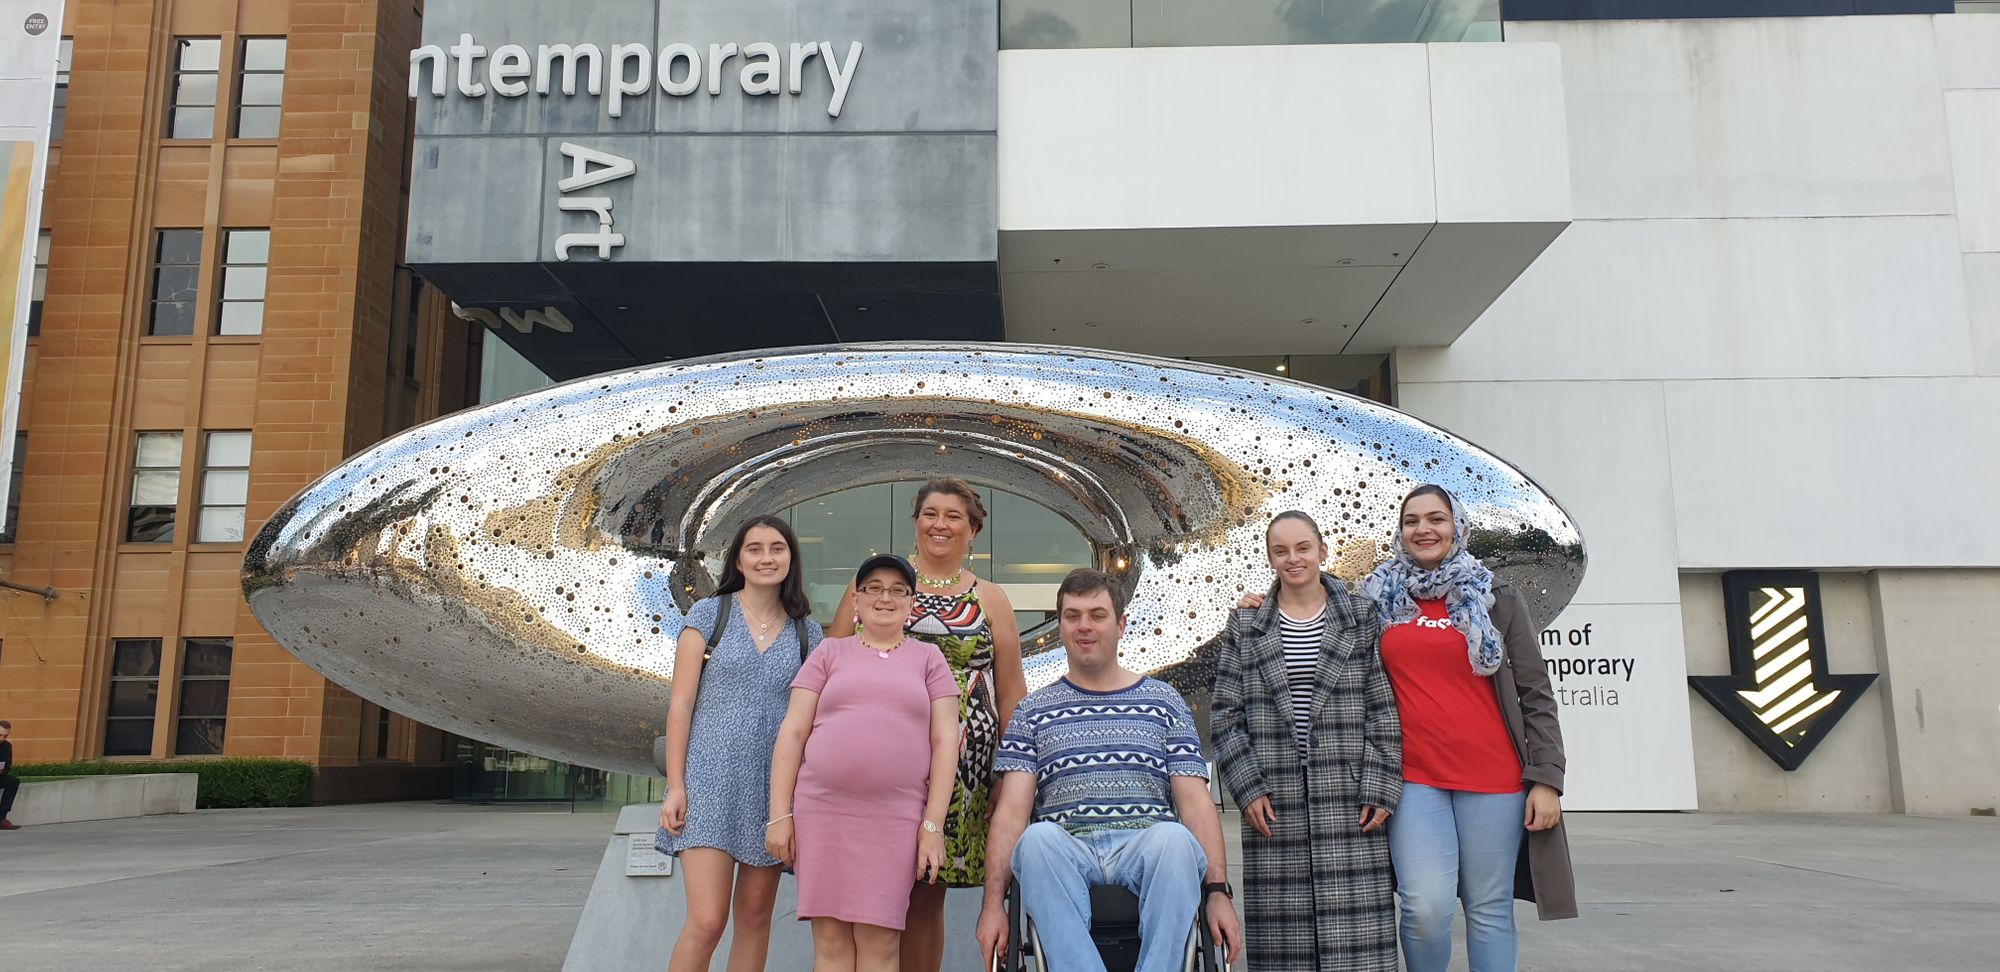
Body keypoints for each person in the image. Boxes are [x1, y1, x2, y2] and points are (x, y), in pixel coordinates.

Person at [976, 568, 1243, 972]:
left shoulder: (1164, 702)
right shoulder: (1032, 712)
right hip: (1067, 849)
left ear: (1121, 625)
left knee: (1174, 838)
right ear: (1060, 626)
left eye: (1097, 615)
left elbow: (1195, 804)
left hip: (1147, 845)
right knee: (1036, 839)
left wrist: (1218, 892)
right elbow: (1011, 812)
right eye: (1073, 615)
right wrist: (993, 904)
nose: (1084, 626)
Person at [1363, 484, 1576, 970]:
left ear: (1458, 526)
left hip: (1495, 781)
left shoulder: (1496, 596)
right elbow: (1311, 603)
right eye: (1412, 520)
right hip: (1414, 779)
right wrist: (1261, 605)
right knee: (1425, 907)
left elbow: (1536, 694)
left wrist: (1547, 779)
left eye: (1436, 518)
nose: (1423, 529)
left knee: (1488, 910)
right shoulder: (1378, 598)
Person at [830, 478, 1026, 971]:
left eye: (954, 516)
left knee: (925, 891)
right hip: (877, 756)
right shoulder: (874, 585)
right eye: (931, 513)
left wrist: (1008, 776)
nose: (940, 524)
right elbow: (831, 664)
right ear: (915, 522)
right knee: (869, 888)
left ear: (974, 530)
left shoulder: (992, 599)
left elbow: (1012, 693)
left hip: (961, 768)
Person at [1213, 511, 1402, 971]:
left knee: (1357, 948)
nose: (1293, 559)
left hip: (1349, 800)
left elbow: (1383, 708)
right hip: (1275, 803)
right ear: (1270, 558)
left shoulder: (1361, 616)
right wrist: (1247, 788)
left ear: (1321, 550)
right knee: (1285, 949)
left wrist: (1381, 785)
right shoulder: (1246, 625)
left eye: (1302, 547)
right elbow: (1225, 716)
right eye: (1281, 550)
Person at [768, 554, 961, 972]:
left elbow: (947, 742)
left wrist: (932, 826)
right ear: (855, 600)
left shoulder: (930, 660)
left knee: (881, 944)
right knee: (831, 944)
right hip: (822, 813)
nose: (885, 598)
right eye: (873, 588)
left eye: (897, 590)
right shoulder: (828, 654)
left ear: (912, 604)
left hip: (895, 819)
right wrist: (779, 814)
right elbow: (793, 732)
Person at [656, 515, 825, 972]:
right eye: (754, 549)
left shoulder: (808, 632)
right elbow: (680, 706)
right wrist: (675, 785)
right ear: (738, 559)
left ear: (791, 558)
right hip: (708, 784)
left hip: (772, 792)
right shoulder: (710, 614)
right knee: (707, 920)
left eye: (777, 548)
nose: (766, 558)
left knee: (754, 918)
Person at [0, 719, 19, 831]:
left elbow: (8, 764)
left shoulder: (7, 746)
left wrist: (3, 770)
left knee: (13, 781)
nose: (2, 738)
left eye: (5, 736)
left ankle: (1, 818)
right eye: (0, 735)